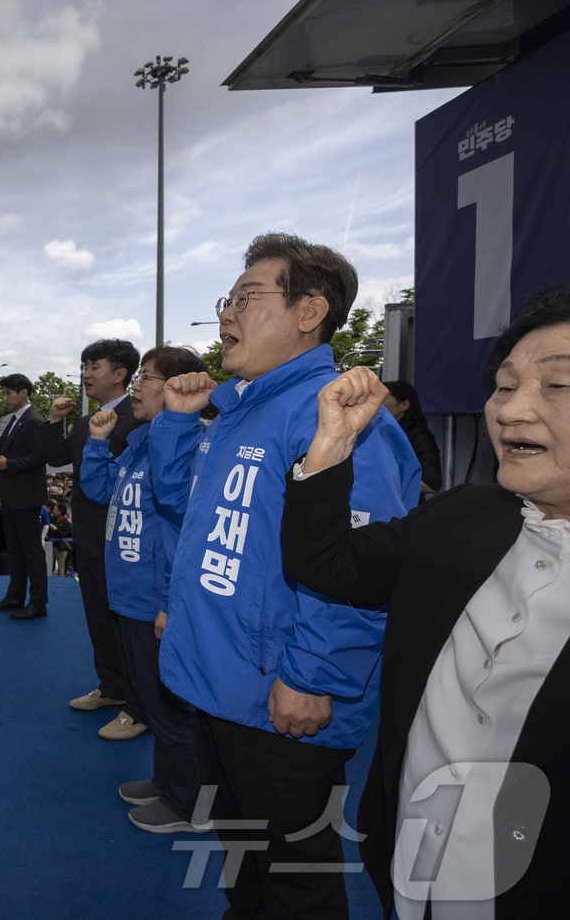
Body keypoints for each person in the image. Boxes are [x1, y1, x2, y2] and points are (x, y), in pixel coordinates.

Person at [150, 233, 421, 918]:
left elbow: (362, 566)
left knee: (298, 886)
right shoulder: (240, 409)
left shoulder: (341, 417)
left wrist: (314, 675)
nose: (226, 313)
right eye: (228, 298)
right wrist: (177, 424)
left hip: (281, 698)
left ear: (310, 311)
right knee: (244, 869)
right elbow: (186, 510)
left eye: (247, 297)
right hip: (219, 685)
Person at [281, 288, 570, 918]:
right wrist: (331, 447)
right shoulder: (461, 515)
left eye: (558, 386)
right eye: (504, 386)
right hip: (407, 868)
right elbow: (325, 564)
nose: (511, 410)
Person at [80, 345, 213, 833]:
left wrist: (167, 603)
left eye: (147, 378)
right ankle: (167, 781)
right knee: (151, 698)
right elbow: (99, 491)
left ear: (177, 387)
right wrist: (98, 443)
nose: (136, 387)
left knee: (174, 706)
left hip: (155, 601)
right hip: (130, 598)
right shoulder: (140, 442)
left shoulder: (187, 448)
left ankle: (191, 805)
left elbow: (184, 534)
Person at [43, 338, 145, 720]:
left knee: (123, 626)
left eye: (94, 366)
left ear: (120, 374)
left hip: (120, 541)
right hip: (86, 538)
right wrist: (55, 420)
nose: (85, 374)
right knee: (99, 621)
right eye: (84, 366)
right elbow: (56, 457)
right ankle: (112, 687)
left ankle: (137, 705)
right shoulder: (87, 421)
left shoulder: (138, 419)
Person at [0, 373, 49, 620]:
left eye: (8, 393)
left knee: (31, 553)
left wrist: (9, 463)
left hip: (26, 498)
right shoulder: (14, 420)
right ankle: (15, 596)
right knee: (14, 551)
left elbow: (40, 457)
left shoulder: (33, 421)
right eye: (3, 393)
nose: (4, 398)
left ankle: (38, 603)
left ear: (23, 393)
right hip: (12, 496)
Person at [381, 379, 443, 501]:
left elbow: (432, 484)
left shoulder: (419, 436)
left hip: (404, 508)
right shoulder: (377, 432)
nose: (376, 403)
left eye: (383, 399)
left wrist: (381, 478)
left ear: (404, 405)